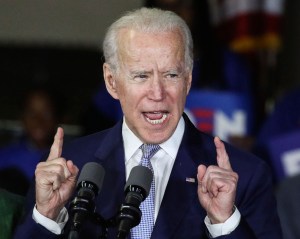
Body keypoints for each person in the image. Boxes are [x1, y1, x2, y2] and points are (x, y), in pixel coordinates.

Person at [14, 7, 282, 239]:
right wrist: (46, 216)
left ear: (188, 79)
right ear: (111, 81)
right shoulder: (70, 168)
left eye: (171, 74)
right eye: (141, 76)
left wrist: (225, 224)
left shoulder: (246, 176)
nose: (157, 93)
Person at [0, 86, 64, 195]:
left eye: (46, 114)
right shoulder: (5, 156)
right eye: (31, 113)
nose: (38, 120)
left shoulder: (68, 159)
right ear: (22, 117)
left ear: (58, 117)